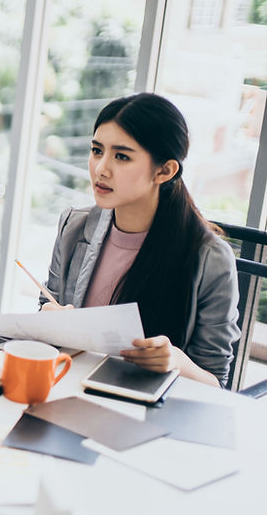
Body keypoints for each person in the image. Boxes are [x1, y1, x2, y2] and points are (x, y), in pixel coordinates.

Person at [42, 92, 239, 387]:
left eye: (121, 156)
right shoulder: (74, 226)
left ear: (164, 171)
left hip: (150, 406)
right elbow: (48, 306)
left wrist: (176, 361)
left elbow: (217, 383)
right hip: (70, 387)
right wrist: (48, 316)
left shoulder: (210, 258)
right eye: (97, 150)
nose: (101, 168)